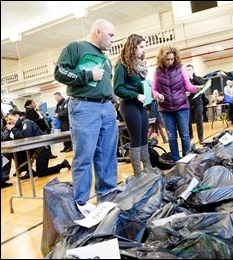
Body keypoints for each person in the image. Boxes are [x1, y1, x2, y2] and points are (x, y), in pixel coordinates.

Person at [54, 19, 118, 207]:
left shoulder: (104, 57)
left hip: (106, 108)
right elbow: (60, 71)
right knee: (84, 156)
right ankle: (80, 204)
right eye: (110, 35)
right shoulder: (76, 47)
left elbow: (105, 83)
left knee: (107, 155)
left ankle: (107, 199)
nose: (113, 40)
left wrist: (114, 98)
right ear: (98, 31)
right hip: (84, 107)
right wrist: (87, 76)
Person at [152, 44, 201, 162]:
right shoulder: (157, 71)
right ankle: (176, 160)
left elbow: (187, 85)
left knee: (185, 135)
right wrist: (157, 95)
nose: (170, 62)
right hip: (165, 109)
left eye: (172, 59)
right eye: (167, 59)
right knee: (171, 137)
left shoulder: (180, 68)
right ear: (162, 58)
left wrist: (197, 89)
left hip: (182, 106)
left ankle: (188, 159)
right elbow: (154, 89)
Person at [113, 33, 153, 176]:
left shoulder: (139, 64)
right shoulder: (121, 65)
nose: (143, 50)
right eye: (141, 47)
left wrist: (146, 85)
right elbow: (117, 88)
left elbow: (137, 84)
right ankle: (138, 173)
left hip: (140, 105)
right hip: (129, 105)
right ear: (133, 47)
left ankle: (148, 168)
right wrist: (135, 95)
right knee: (136, 140)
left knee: (144, 138)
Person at [5, 110, 71, 180]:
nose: (9, 121)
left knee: (41, 173)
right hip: (35, 149)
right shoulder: (19, 126)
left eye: (10, 119)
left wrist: (13, 129)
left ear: (17, 116)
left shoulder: (26, 122)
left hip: (42, 149)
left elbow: (27, 136)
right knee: (16, 153)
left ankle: (62, 165)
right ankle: (28, 171)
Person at [186, 64, 205, 143]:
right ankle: (190, 136)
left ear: (193, 71)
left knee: (199, 120)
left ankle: (201, 138)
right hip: (188, 103)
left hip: (198, 102)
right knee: (188, 121)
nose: (188, 71)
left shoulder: (198, 78)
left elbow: (202, 84)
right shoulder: (184, 80)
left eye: (190, 70)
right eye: (187, 70)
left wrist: (193, 78)